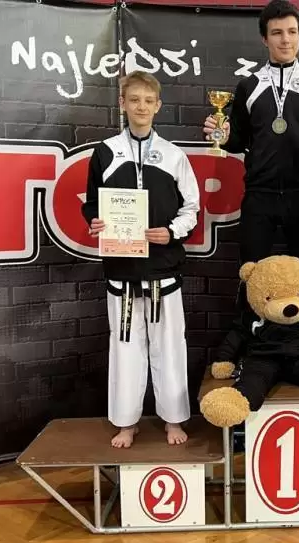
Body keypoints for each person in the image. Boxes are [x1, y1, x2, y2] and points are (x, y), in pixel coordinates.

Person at [202, 0, 299, 317]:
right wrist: (221, 134)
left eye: (291, 32)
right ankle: (248, 340)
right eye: (277, 33)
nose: (285, 40)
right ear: (265, 39)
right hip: (259, 195)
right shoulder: (249, 86)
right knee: (251, 273)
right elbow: (237, 141)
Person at [83, 71, 200, 449]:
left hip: (163, 270)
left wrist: (172, 232)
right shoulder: (105, 152)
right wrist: (95, 222)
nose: (141, 107)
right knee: (125, 350)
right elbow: (92, 204)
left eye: (148, 101)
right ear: (122, 103)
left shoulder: (173, 155)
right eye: (134, 100)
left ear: (158, 106)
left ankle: (173, 419)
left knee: (170, 349)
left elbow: (192, 208)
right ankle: (126, 422)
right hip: (122, 271)